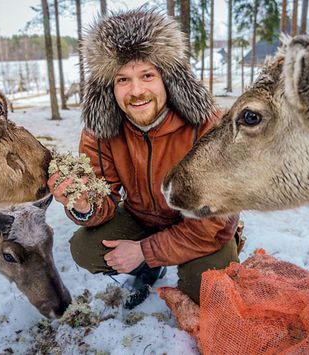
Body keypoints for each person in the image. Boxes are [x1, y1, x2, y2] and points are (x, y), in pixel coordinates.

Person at [48, 9, 240, 309]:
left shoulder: (207, 126)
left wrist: (145, 250)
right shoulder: (101, 132)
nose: (136, 91)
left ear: (168, 78)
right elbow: (106, 196)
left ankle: (167, 263)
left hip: (199, 227)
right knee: (86, 249)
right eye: (123, 79)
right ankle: (148, 270)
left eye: (147, 76)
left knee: (204, 288)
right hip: (142, 218)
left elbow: (212, 223)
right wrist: (85, 204)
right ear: (109, 87)